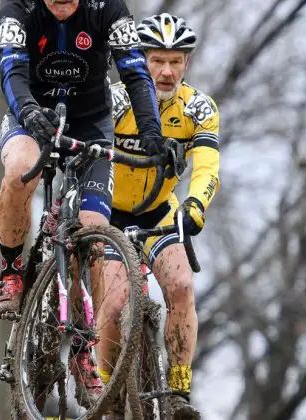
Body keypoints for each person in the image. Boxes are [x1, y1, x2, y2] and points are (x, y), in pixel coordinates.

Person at [0, 0, 165, 408]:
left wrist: (152, 131)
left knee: (92, 231)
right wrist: (29, 111)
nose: (63, 4)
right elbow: (11, 69)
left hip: (92, 122)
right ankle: (13, 272)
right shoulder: (18, 8)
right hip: (28, 114)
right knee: (19, 171)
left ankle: (85, 349)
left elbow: (135, 71)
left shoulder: (109, 8)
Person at [98, 13, 220, 420]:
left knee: (182, 286)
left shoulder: (198, 108)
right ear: (140, 59)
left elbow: (206, 165)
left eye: (176, 61)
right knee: (116, 305)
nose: (167, 71)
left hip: (157, 212)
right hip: (107, 214)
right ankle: (108, 391)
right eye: (156, 60)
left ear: (187, 62)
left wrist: (195, 205)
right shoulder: (114, 100)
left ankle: (179, 390)